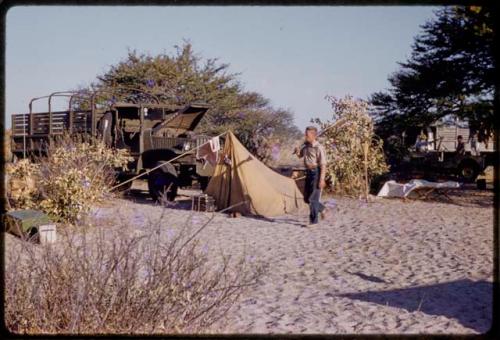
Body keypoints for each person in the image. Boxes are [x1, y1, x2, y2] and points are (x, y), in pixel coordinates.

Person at [294, 126, 328, 226]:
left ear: (314, 135)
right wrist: (297, 151)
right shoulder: (306, 146)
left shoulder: (319, 148)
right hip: (308, 172)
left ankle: (313, 221)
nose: (305, 136)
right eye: (305, 134)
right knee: (306, 199)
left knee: (313, 199)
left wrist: (321, 179)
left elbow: (323, 165)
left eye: (307, 135)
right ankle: (322, 208)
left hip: (316, 172)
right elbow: (301, 155)